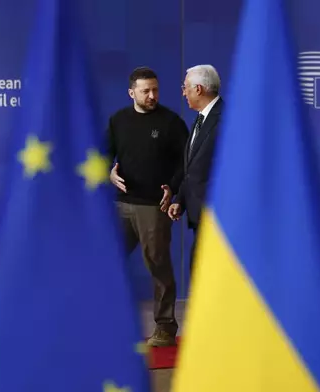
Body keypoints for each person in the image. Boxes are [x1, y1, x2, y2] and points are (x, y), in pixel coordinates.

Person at [107, 67, 189, 347]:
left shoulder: (171, 123)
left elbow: (186, 163)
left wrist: (173, 188)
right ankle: (104, 321)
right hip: (121, 206)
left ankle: (165, 328)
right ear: (132, 93)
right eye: (145, 91)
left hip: (154, 208)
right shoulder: (118, 120)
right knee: (108, 261)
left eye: (155, 89)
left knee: (158, 266)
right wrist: (109, 173)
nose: (152, 95)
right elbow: (105, 154)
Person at [168, 64, 223, 269]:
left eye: (185, 88)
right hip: (198, 213)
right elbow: (193, 168)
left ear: (198, 89)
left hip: (216, 216)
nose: (183, 93)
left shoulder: (226, 119)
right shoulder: (201, 119)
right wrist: (180, 200)